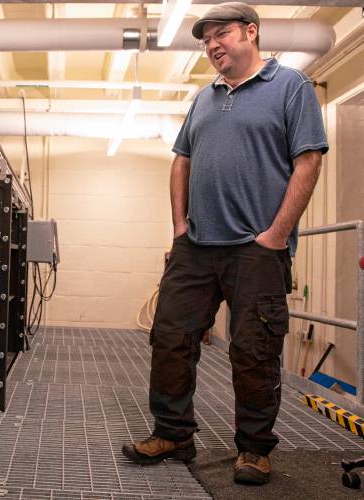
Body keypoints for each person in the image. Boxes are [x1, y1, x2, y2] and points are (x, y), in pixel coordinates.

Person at [121, 2, 328, 486]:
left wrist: (275, 236)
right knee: (170, 337)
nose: (213, 45)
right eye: (206, 39)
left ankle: (254, 449)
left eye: (223, 34)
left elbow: (309, 161)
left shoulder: (290, 87)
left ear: (251, 33)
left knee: (253, 348)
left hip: (256, 248)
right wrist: (179, 226)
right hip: (197, 244)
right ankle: (173, 433)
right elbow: (181, 160)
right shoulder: (204, 97)